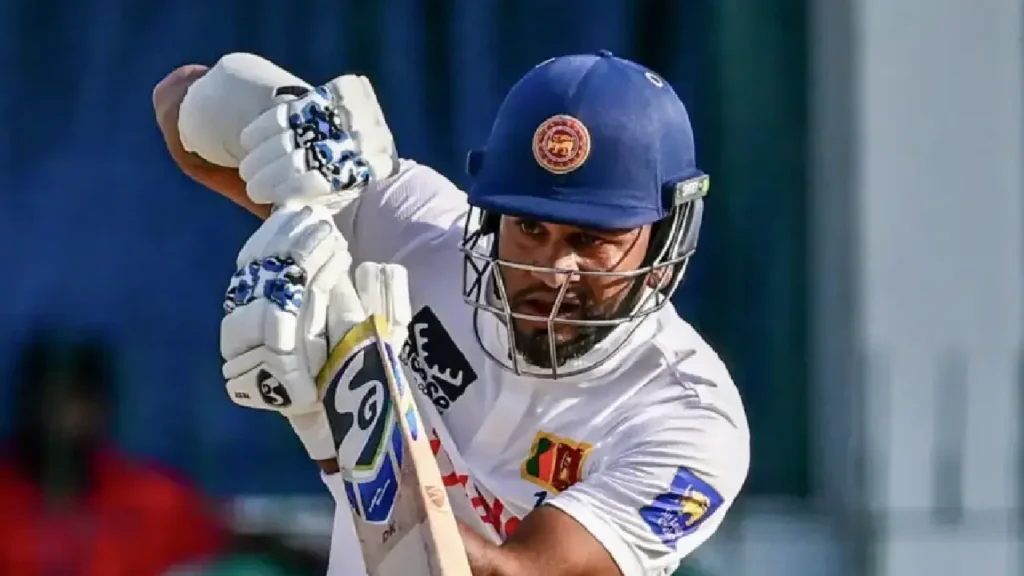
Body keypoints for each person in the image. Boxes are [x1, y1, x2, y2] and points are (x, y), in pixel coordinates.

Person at [153, 50, 749, 576]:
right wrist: (281, 119)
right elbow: (179, 108)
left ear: (666, 238)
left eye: (591, 241)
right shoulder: (425, 235)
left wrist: (338, 423)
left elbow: (514, 573)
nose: (552, 270)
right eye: (530, 227)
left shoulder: (689, 422)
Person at [0, 332, 226, 575]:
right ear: (26, 405)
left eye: (79, 403)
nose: (65, 422)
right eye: (50, 404)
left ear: (105, 408)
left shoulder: (161, 503)